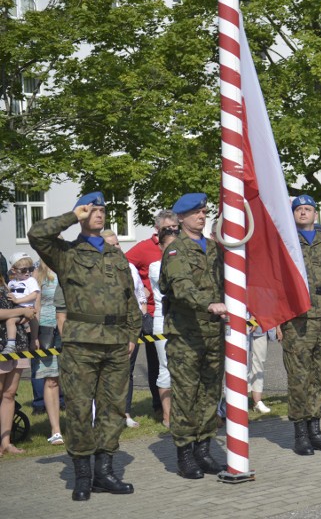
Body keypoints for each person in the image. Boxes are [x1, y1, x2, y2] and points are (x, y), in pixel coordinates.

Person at [28, 191, 139, 500]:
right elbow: (36, 233)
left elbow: (130, 299)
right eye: (91, 210)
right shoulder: (66, 253)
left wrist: (132, 333)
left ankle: (104, 472)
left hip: (116, 344)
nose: (98, 214)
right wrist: (71, 216)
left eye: (102, 209)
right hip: (81, 344)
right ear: (81, 214)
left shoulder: (116, 254)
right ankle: (82, 475)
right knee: (78, 409)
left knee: (113, 409)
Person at [158, 193, 226, 479]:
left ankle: (204, 449)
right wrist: (208, 303)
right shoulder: (175, 251)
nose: (201, 216)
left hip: (213, 332)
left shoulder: (214, 248)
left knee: (210, 393)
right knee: (186, 395)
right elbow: (181, 287)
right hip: (187, 335)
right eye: (196, 213)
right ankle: (184, 454)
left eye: (204, 212)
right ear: (181, 218)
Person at [277, 195, 321, 456]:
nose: (303, 213)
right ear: (292, 214)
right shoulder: (285, 244)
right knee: (298, 378)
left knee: (320, 377)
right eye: (299, 210)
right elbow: (277, 285)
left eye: (308, 209)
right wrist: (278, 320)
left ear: (316, 214)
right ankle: (300, 434)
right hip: (296, 321)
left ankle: (315, 430)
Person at [126, 210, 179, 420]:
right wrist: (139, 289)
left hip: (174, 316)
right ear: (157, 230)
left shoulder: (181, 249)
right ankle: (160, 408)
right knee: (157, 363)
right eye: (169, 228)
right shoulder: (145, 249)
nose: (173, 231)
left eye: (176, 227)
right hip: (153, 313)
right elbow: (125, 265)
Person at [102, 229, 148, 428]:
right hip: (108, 328)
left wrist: (143, 307)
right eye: (110, 245)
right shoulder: (98, 268)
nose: (116, 247)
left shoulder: (128, 266)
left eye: (117, 243)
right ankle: (108, 414)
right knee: (108, 372)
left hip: (130, 327)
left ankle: (125, 413)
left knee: (127, 370)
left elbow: (139, 291)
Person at [148, 224, 180, 428]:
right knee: (166, 367)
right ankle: (167, 415)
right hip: (163, 320)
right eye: (169, 245)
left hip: (182, 321)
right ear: (161, 247)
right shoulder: (155, 266)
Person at [0, 280, 36, 456]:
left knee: (9, 394)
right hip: (1, 346)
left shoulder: (8, 284)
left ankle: (6, 442)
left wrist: (26, 312)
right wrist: (21, 311)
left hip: (18, 343)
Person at [33, 261, 64, 445]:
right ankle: (56, 430)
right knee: (51, 379)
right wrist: (34, 335)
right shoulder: (39, 273)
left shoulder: (69, 268)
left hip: (69, 327)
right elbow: (35, 306)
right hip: (47, 330)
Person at [3, 252, 40, 355]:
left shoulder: (31, 281)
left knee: (10, 321)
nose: (28, 272)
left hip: (26, 308)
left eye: (30, 269)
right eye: (24, 270)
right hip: (15, 308)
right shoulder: (11, 283)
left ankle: (11, 345)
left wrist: (17, 301)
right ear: (14, 270)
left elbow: (34, 295)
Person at [248, 318, 274, 414]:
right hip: (239, 325)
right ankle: (235, 401)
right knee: (239, 366)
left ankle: (257, 402)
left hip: (260, 327)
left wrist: (254, 320)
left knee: (259, 363)